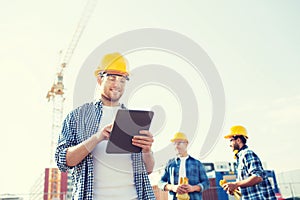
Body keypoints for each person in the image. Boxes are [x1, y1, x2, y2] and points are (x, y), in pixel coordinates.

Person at [55, 52, 156, 200]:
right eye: (112, 78)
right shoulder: (77, 117)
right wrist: (97, 137)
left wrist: (147, 151)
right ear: (99, 79)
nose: (117, 85)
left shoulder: (134, 120)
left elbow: (148, 169)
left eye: (122, 80)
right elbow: (63, 161)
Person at [222, 125, 277, 200]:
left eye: (231, 140)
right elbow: (246, 183)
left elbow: (257, 177)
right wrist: (235, 188)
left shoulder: (247, 154)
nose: (229, 144)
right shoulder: (239, 159)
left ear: (238, 140)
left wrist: (235, 184)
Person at [158, 132, 209, 200]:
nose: (176, 146)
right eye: (174, 143)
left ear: (186, 143)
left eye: (179, 143)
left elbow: (206, 183)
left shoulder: (197, 163)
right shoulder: (170, 164)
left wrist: (193, 188)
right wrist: (173, 187)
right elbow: (160, 183)